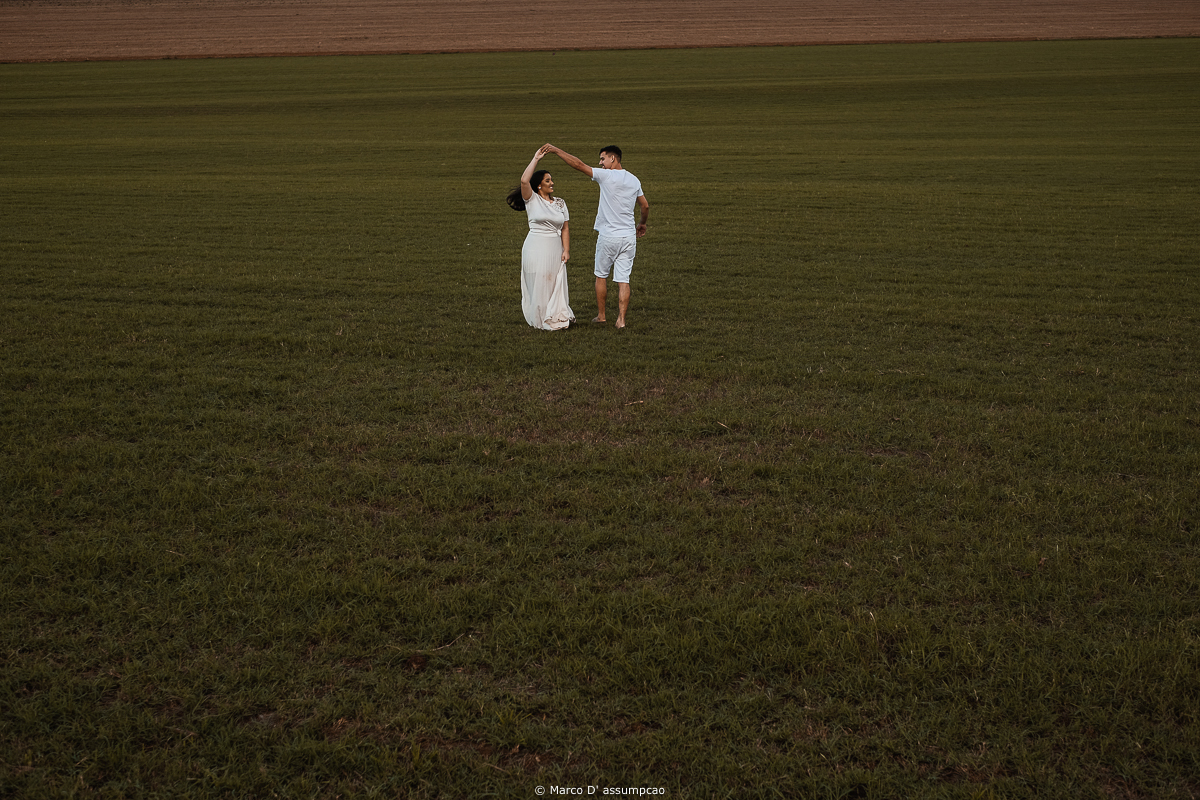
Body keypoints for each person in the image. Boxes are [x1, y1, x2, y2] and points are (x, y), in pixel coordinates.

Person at [543, 144, 649, 330]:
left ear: (613, 159)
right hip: (628, 237)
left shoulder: (606, 175)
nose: (600, 163)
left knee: (601, 276)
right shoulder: (634, 179)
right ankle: (621, 320)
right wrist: (642, 223)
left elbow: (578, 164)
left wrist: (557, 151)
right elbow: (645, 206)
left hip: (608, 236)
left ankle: (601, 316)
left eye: (602, 159)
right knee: (623, 279)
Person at [506, 146, 574, 331]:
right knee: (539, 280)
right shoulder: (532, 200)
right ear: (539, 185)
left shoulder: (560, 203)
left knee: (553, 280)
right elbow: (523, 180)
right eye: (548, 180)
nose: (552, 183)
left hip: (554, 246)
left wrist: (566, 250)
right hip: (536, 246)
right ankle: (539, 317)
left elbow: (565, 228)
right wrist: (536, 158)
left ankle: (555, 314)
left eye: (552, 180)